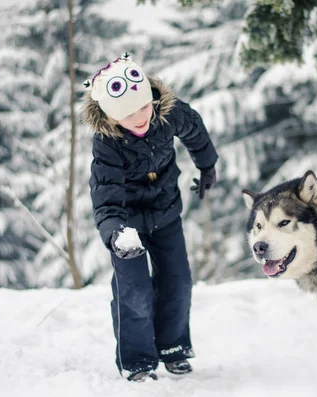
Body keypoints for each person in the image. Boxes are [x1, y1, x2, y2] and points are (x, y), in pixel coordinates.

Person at [81, 53, 218, 382]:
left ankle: (173, 348)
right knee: (134, 292)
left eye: (143, 107)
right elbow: (106, 193)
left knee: (178, 282)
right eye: (127, 113)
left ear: (151, 100)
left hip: (166, 212)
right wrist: (115, 233)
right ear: (112, 116)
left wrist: (206, 164)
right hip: (125, 224)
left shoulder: (167, 113)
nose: (139, 117)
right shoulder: (107, 144)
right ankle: (138, 361)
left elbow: (194, 129)